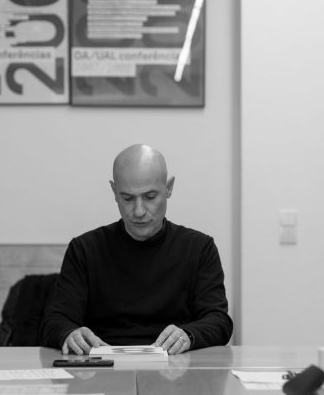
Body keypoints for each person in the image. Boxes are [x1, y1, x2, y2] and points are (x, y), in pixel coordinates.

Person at [41, 144, 233, 355]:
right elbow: (55, 320)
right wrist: (69, 333)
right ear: (114, 192)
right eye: (127, 198)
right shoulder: (84, 249)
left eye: (150, 197)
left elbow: (219, 321)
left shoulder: (199, 248)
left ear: (169, 188)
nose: (139, 211)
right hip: (103, 363)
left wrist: (188, 335)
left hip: (176, 363)